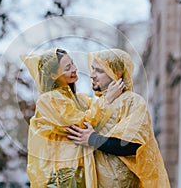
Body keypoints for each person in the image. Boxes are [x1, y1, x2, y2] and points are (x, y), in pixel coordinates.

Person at [20, 48, 124, 188]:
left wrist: (109, 90)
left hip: (77, 169)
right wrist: (108, 99)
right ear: (52, 75)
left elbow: (99, 110)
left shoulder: (77, 99)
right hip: (60, 175)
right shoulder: (49, 100)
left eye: (73, 63)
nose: (74, 69)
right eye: (68, 67)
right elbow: (81, 123)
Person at [67, 49, 170, 188]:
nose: (92, 75)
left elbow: (131, 145)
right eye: (92, 69)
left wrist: (93, 139)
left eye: (99, 71)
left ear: (115, 73)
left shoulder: (132, 101)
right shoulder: (96, 104)